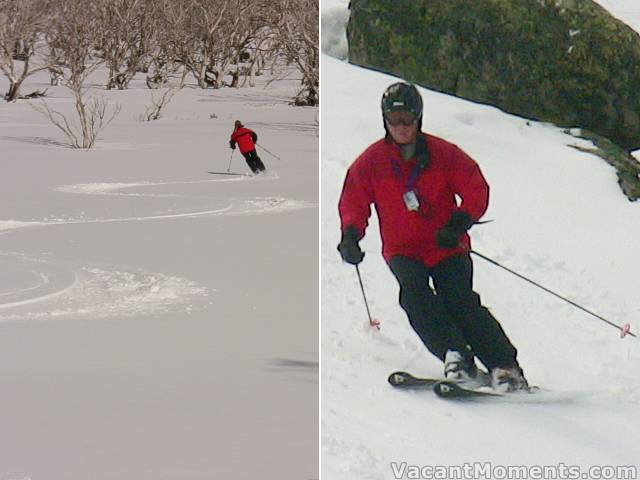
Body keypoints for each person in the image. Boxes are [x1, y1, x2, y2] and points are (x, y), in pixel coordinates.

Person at [337, 82, 529, 392]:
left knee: (460, 301)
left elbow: (476, 188)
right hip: (403, 250)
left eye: (407, 120)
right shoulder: (371, 162)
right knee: (414, 296)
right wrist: (350, 234)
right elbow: (353, 201)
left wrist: (460, 222)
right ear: (384, 120)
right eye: (394, 120)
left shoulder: (444, 154)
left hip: (446, 247)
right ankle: (456, 356)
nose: (401, 128)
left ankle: (505, 367)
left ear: (419, 119)